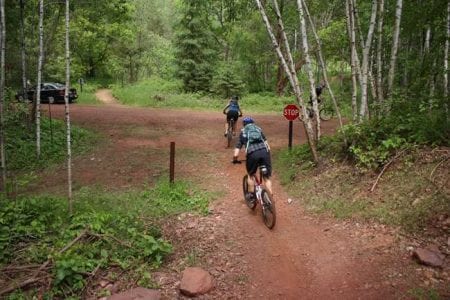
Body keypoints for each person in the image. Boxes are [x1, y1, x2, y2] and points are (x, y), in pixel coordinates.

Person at [232, 116, 273, 202]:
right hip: (265, 152)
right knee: (267, 177)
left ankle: (251, 196)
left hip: (253, 154)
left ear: (244, 125)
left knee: (250, 174)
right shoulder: (259, 129)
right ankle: (270, 197)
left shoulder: (243, 132)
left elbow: (237, 149)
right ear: (253, 123)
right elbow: (267, 144)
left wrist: (235, 159)